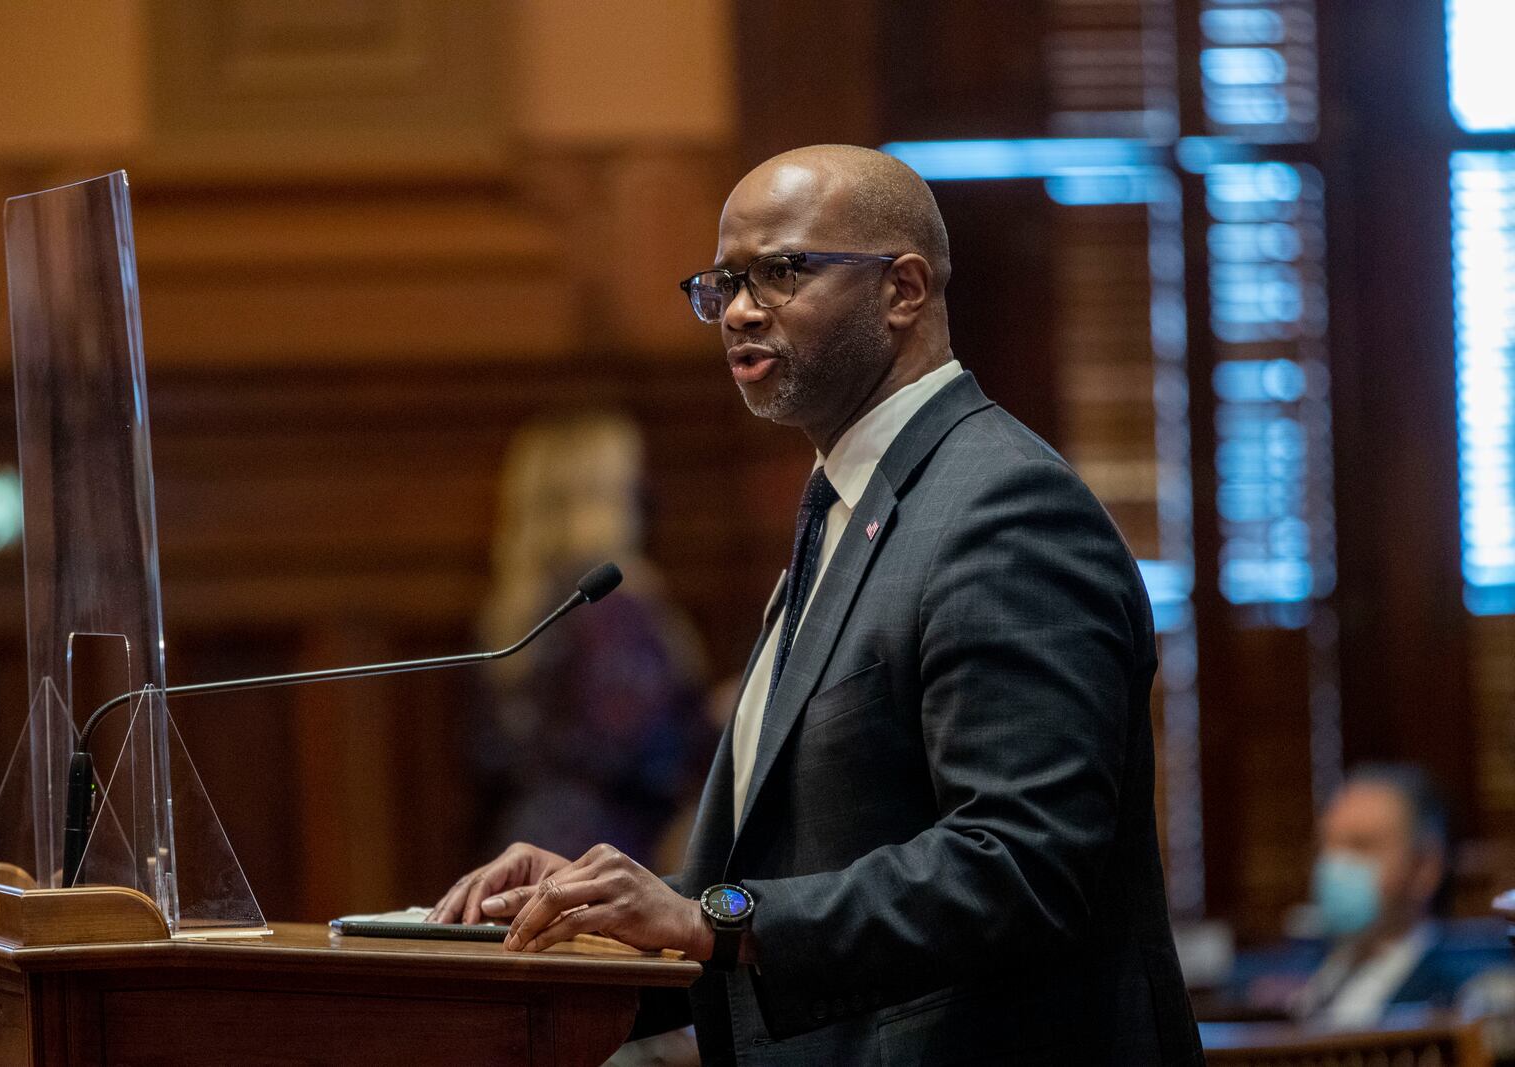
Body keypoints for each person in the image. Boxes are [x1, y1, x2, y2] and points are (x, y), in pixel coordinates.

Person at [430, 144, 1204, 1065]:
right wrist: (610, 915)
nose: (742, 310)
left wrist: (711, 913)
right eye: (725, 282)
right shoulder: (851, 503)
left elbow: (1019, 864)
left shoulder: (1002, 508)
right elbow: (814, 863)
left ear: (904, 290)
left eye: (783, 271)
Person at [471, 413, 711, 865]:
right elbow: (634, 748)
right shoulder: (610, 602)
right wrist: (722, 722)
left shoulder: (520, 599)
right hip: (605, 852)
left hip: (526, 840)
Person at [1237, 764, 1511, 1028]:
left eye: (1361, 846)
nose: (1335, 864)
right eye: (1326, 845)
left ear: (1424, 867)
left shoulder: (1466, 994)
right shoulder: (1289, 980)